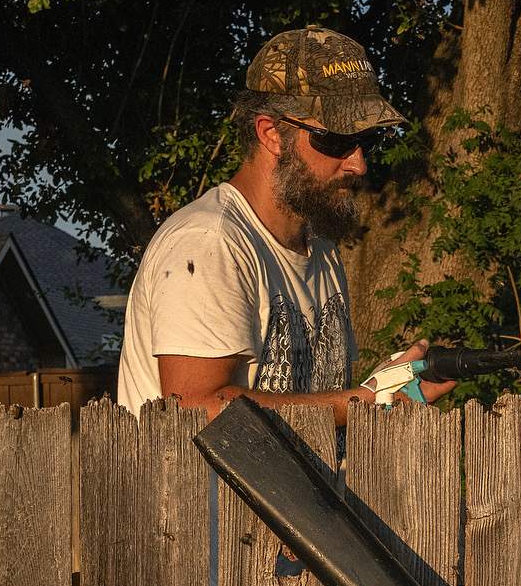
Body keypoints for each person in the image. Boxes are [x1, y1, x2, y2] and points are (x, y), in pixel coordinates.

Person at [115, 26, 453, 419]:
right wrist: (362, 403)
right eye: (336, 140)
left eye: (367, 140)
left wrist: (384, 391)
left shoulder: (321, 250)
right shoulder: (210, 243)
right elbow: (193, 406)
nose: (358, 164)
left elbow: (318, 402)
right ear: (272, 134)